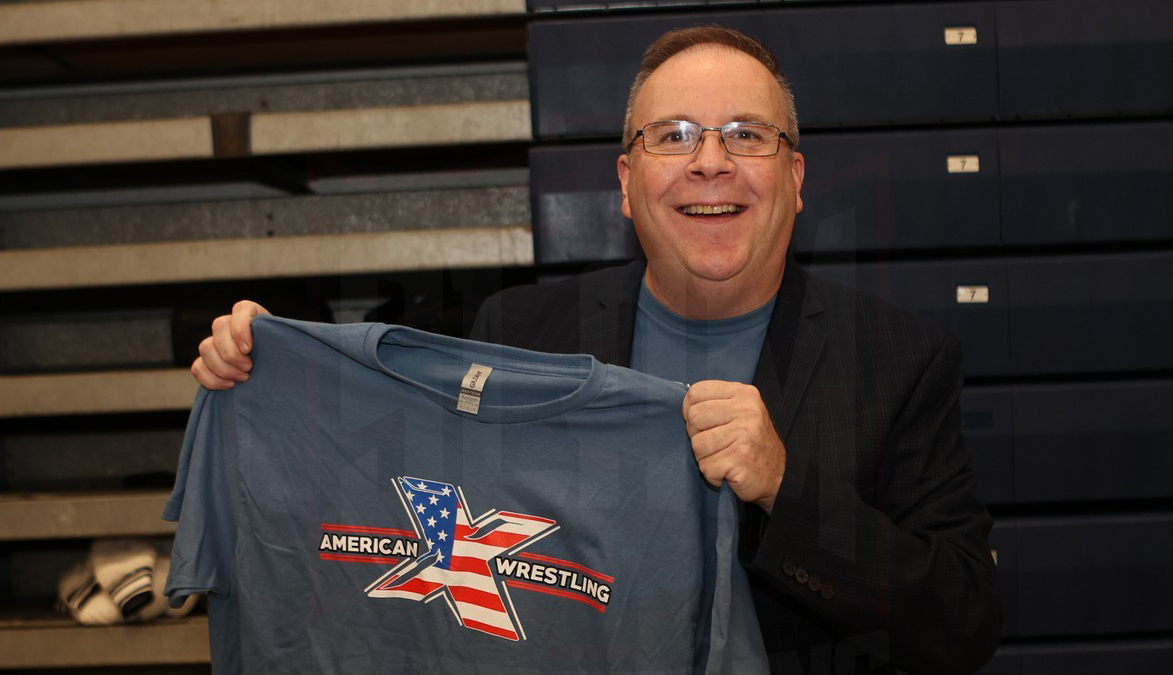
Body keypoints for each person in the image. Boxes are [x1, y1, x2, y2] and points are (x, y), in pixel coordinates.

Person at [190, 26, 1000, 675]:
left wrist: (785, 490)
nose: (709, 161)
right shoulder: (518, 332)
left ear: (793, 178)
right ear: (624, 181)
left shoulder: (898, 358)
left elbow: (961, 623)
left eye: (745, 135)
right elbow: (392, 518)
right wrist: (271, 374)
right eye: (673, 135)